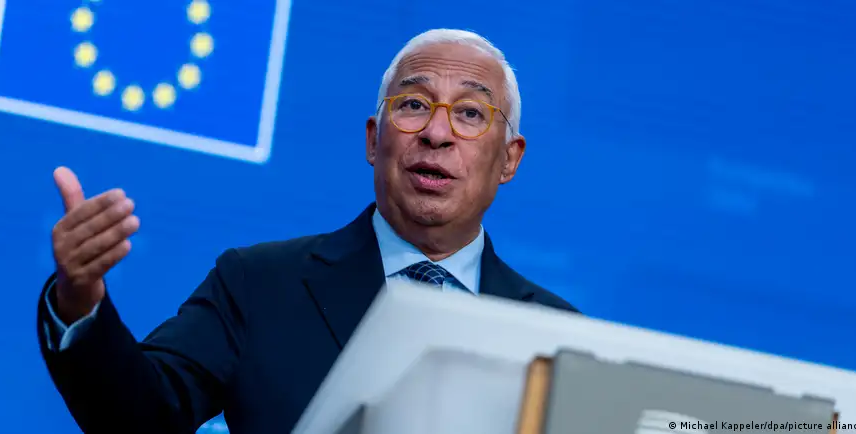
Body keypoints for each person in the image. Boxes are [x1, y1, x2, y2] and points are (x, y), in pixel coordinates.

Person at [37, 28, 579, 434]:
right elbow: (142, 417)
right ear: (373, 141)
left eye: (470, 114)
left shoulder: (560, 339)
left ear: (509, 160)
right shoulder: (258, 283)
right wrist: (80, 300)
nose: (437, 132)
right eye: (413, 105)